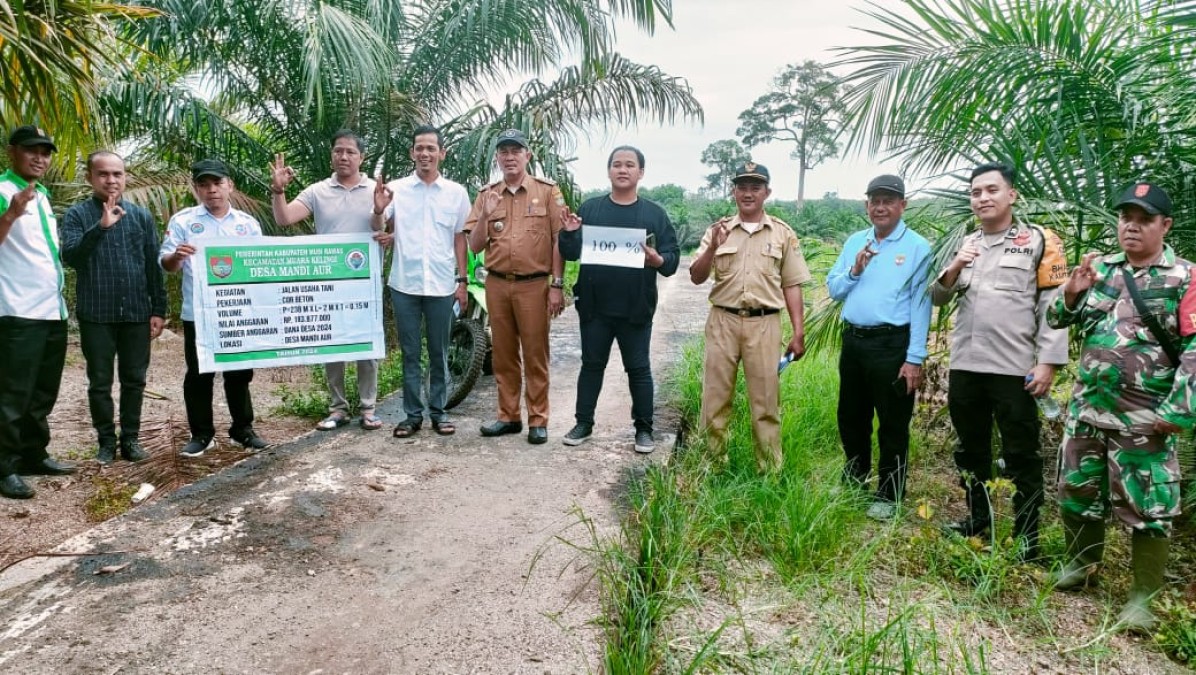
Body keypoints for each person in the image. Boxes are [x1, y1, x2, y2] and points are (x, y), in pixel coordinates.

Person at [1047, 182, 1192, 632]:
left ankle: (1142, 597)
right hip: (1088, 409)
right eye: (1125, 216)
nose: (1131, 225)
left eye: (1143, 218)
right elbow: (1056, 318)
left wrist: (1178, 410)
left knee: (1149, 507)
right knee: (1078, 489)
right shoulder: (1101, 269)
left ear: (1164, 225)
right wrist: (1071, 293)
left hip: (1145, 419)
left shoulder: (1184, 277)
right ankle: (1080, 566)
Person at [931, 162, 1069, 559]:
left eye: (992, 190)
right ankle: (979, 522)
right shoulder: (968, 243)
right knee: (970, 450)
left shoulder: (1038, 241)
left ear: (1012, 195)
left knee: (1021, 454)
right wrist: (957, 262)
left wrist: (1048, 363)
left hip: (1014, 371)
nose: (982, 198)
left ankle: (1028, 538)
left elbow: (1053, 308)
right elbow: (938, 297)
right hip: (967, 367)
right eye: (976, 192)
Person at [689, 162, 811, 471]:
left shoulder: (783, 233)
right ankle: (712, 464)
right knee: (715, 398)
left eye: (755, 187)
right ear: (733, 192)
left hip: (765, 323)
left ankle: (769, 469)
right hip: (723, 321)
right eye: (742, 187)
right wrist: (711, 249)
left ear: (767, 192)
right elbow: (696, 276)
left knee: (766, 401)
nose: (748, 193)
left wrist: (798, 332)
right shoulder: (718, 230)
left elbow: (792, 284)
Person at [558, 146, 680, 453]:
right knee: (591, 366)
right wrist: (570, 232)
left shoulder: (654, 214)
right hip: (595, 307)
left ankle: (644, 430)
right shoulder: (591, 209)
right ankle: (583, 423)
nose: (622, 170)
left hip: (635, 309)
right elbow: (571, 252)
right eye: (616, 165)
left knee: (638, 369)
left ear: (641, 173)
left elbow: (672, 260)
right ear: (609, 171)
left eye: (629, 165)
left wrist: (656, 260)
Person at [826, 175, 932, 520]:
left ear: (903, 205)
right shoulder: (856, 241)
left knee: (892, 422)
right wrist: (855, 270)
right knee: (851, 416)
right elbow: (834, 289)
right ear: (866, 204)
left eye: (889, 200)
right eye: (875, 200)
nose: (881, 207)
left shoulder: (918, 247)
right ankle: (855, 477)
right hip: (854, 341)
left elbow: (921, 306)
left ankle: (889, 493)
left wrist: (914, 358)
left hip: (892, 345)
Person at [271, 130, 389, 431]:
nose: (344, 156)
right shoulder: (317, 191)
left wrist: (378, 208)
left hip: (364, 280)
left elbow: (380, 228)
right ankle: (337, 408)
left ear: (361, 157)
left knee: (366, 347)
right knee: (331, 344)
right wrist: (278, 191)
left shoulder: (374, 189)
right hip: (328, 282)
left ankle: (368, 408)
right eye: (338, 151)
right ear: (331, 156)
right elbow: (284, 218)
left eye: (350, 152)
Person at [61, 151, 167, 464]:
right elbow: (71, 257)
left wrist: (158, 310)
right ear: (90, 178)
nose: (111, 180)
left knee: (135, 380)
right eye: (103, 174)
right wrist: (101, 227)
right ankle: (106, 442)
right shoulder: (78, 215)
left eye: (117, 174)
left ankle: (131, 440)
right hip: (96, 314)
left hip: (136, 312)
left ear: (125, 177)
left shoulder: (141, 216)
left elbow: (152, 265)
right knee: (100, 382)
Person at [160, 159, 269, 457]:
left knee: (239, 372)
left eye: (218, 183)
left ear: (229, 185)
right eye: (204, 184)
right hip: (200, 313)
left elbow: (260, 267)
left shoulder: (247, 225)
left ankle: (242, 430)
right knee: (199, 374)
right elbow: (166, 264)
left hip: (239, 313)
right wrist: (177, 258)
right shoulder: (183, 222)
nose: (212, 190)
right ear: (196, 188)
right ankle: (202, 434)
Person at [466, 129, 565, 445]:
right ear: (497, 157)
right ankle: (508, 416)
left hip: (534, 286)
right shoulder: (486, 194)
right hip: (497, 284)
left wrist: (557, 285)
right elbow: (474, 245)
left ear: (527, 156)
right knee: (503, 355)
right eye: (504, 151)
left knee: (536, 354)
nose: (509, 157)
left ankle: (538, 419)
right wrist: (485, 214)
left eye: (515, 151)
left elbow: (560, 240)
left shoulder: (548, 192)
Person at [372, 125, 469, 438]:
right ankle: (412, 415)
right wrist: (378, 208)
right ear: (412, 153)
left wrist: (462, 280)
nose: (425, 153)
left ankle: (439, 413)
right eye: (419, 148)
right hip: (405, 284)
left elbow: (459, 239)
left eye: (431, 148)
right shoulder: (396, 189)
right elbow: (379, 226)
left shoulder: (456, 193)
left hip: (442, 284)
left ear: (442, 153)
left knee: (440, 351)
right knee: (410, 353)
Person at [0, 125, 76, 499]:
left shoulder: (42, 197)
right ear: (12, 151)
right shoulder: (3, 191)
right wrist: (11, 215)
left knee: (43, 392)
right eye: (32, 150)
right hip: (17, 310)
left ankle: (33, 454)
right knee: (12, 393)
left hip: (52, 311)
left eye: (46, 152)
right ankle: (4, 466)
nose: (40, 158)